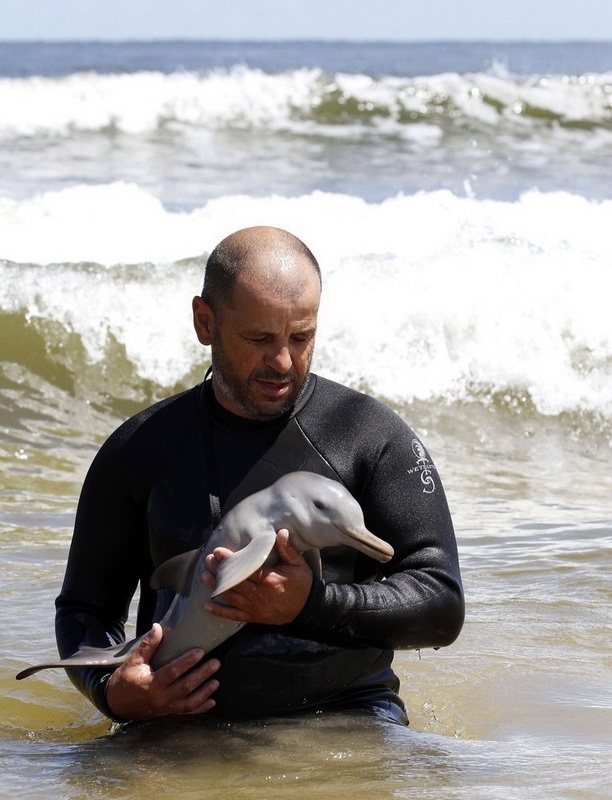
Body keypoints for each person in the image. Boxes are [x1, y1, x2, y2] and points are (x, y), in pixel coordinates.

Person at [55, 225, 464, 726]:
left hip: (347, 716)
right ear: (205, 322)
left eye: (302, 336)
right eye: (259, 338)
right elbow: (84, 609)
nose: (283, 361)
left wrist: (312, 604)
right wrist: (113, 693)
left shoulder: (369, 436)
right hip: (175, 727)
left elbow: (440, 606)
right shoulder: (139, 449)